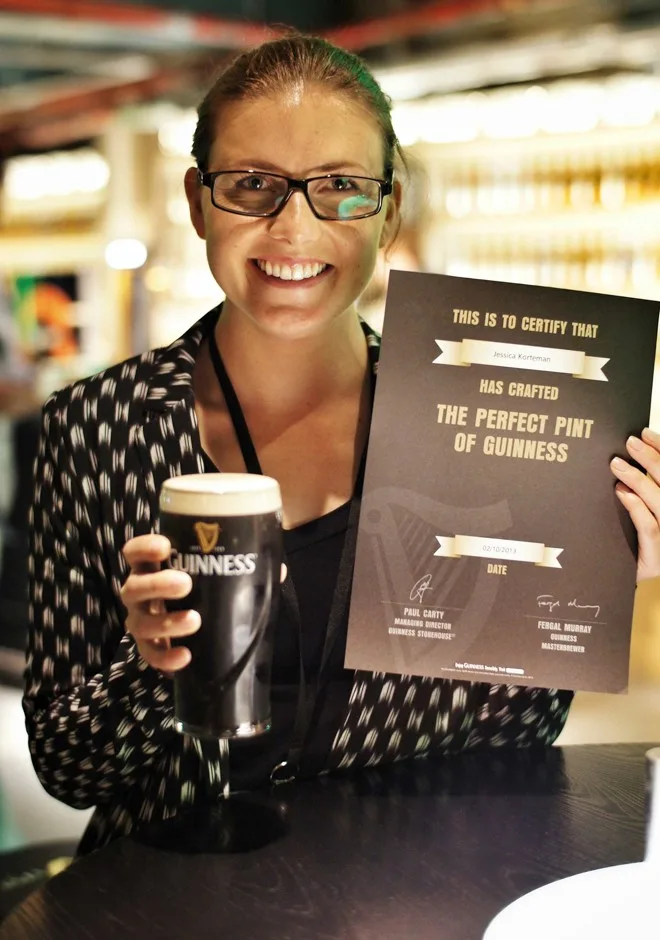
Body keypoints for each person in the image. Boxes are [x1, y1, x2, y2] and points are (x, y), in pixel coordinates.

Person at [23, 34, 660, 856]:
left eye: (342, 189)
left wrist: (594, 573)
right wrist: (156, 665)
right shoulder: (95, 429)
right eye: (252, 185)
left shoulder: (474, 419)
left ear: (389, 210)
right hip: (172, 896)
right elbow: (68, 768)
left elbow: (515, 737)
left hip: (414, 892)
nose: (294, 226)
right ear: (197, 201)